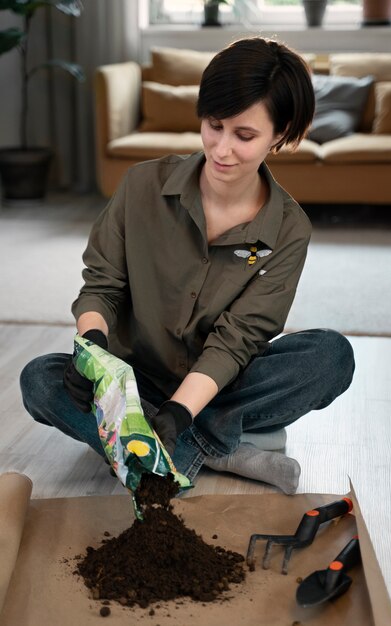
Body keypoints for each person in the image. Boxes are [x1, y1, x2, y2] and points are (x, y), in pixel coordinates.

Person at [20, 37, 354, 495]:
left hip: (220, 387)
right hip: (135, 381)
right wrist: (92, 348)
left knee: (330, 357)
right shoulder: (140, 186)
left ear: (280, 134)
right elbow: (101, 286)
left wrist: (179, 412)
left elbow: (238, 342)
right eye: (214, 125)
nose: (221, 149)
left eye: (245, 135)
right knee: (39, 379)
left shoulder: (288, 229)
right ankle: (223, 450)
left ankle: (166, 450)